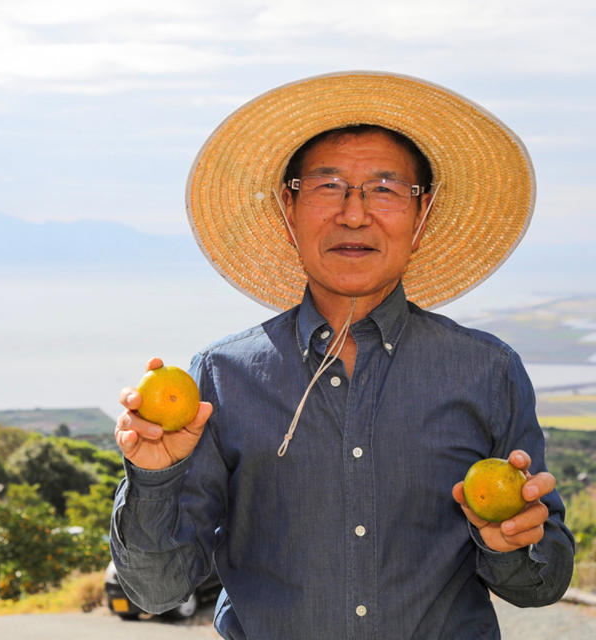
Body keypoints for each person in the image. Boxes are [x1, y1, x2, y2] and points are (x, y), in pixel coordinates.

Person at [110, 72, 575, 639]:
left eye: (385, 189)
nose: (354, 214)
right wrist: (153, 477)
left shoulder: (487, 371)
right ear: (289, 207)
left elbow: (542, 584)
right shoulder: (221, 377)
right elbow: (157, 590)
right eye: (328, 187)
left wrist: (511, 544)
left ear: (422, 216)